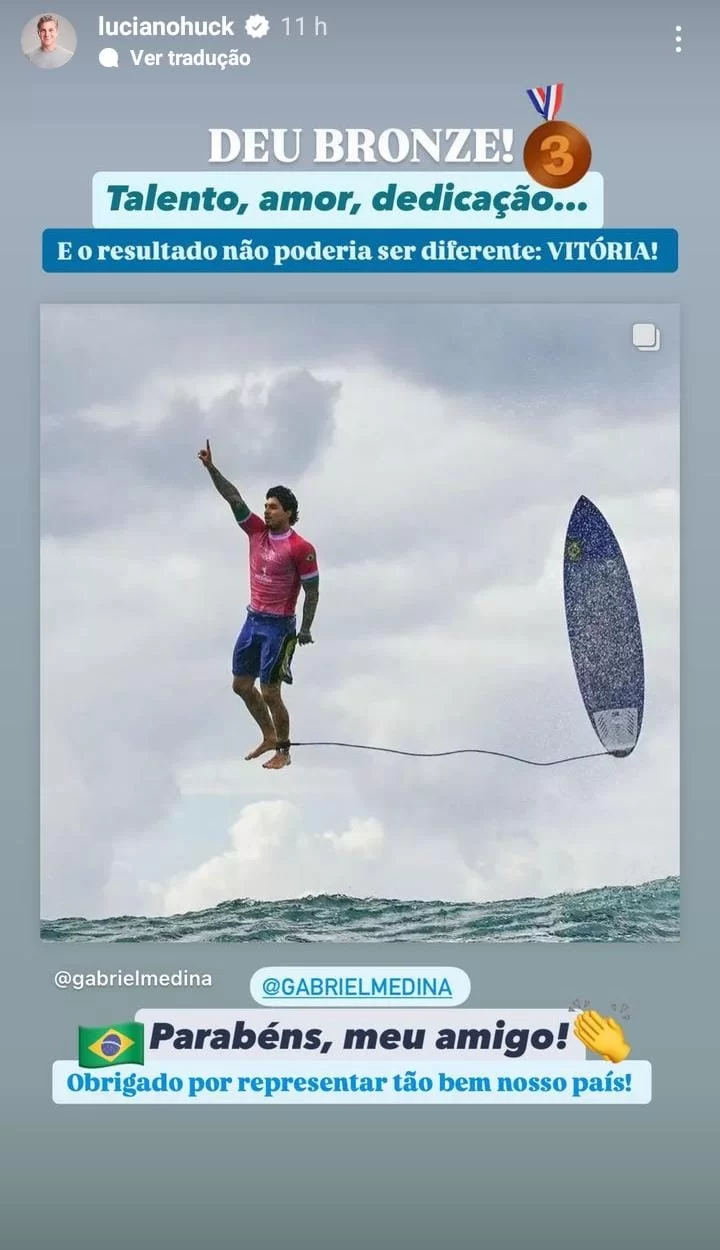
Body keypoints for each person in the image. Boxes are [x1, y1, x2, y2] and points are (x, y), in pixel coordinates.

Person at [198, 440, 319, 770]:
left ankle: (283, 750)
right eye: (266, 505)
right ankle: (268, 735)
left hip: (279, 627)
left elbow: (312, 591)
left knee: (270, 691)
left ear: (289, 513)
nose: (267, 511)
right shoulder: (255, 532)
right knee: (240, 685)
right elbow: (233, 497)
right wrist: (211, 468)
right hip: (253, 620)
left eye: (274, 507)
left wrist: (305, 629)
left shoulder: (301, 547)